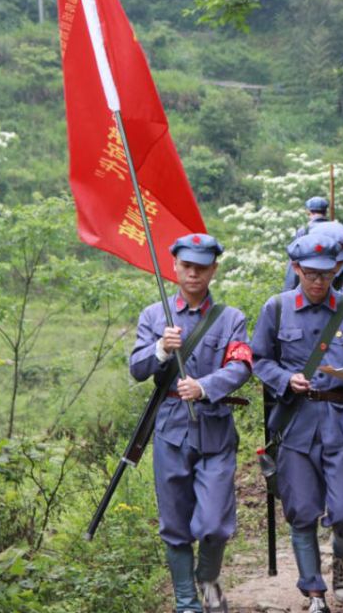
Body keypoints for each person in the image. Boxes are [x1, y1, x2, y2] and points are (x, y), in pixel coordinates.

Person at [251, 233, 343, 612]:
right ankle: (314, 594)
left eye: (326, 275)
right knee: (302, 511)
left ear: (337, 271)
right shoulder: (276, 308)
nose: (317, 282)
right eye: (310, 274)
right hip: (296, 425)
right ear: (296, 269)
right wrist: (284, 380)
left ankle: (341, 557)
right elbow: (259, 359)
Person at [129, 234, 253, 613]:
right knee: (175, 522)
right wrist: (160, 350)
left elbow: (241, 365)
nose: (194, 273)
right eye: (187, 266)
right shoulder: (155, 316)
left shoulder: (232, 318)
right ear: (175, 268)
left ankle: (209, 577)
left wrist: (205, 386)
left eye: (202, 266)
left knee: (214, 523)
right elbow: (137, 369)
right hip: (170, 431)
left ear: (213, 269)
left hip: (215, 429)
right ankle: (186, 602)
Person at [284, 196, 333, 289]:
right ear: (325, 212)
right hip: (331, 279)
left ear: (308, 212)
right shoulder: (335, 230)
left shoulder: (305, 231)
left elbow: (294, 261)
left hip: (310, 281)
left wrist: (288, 291)